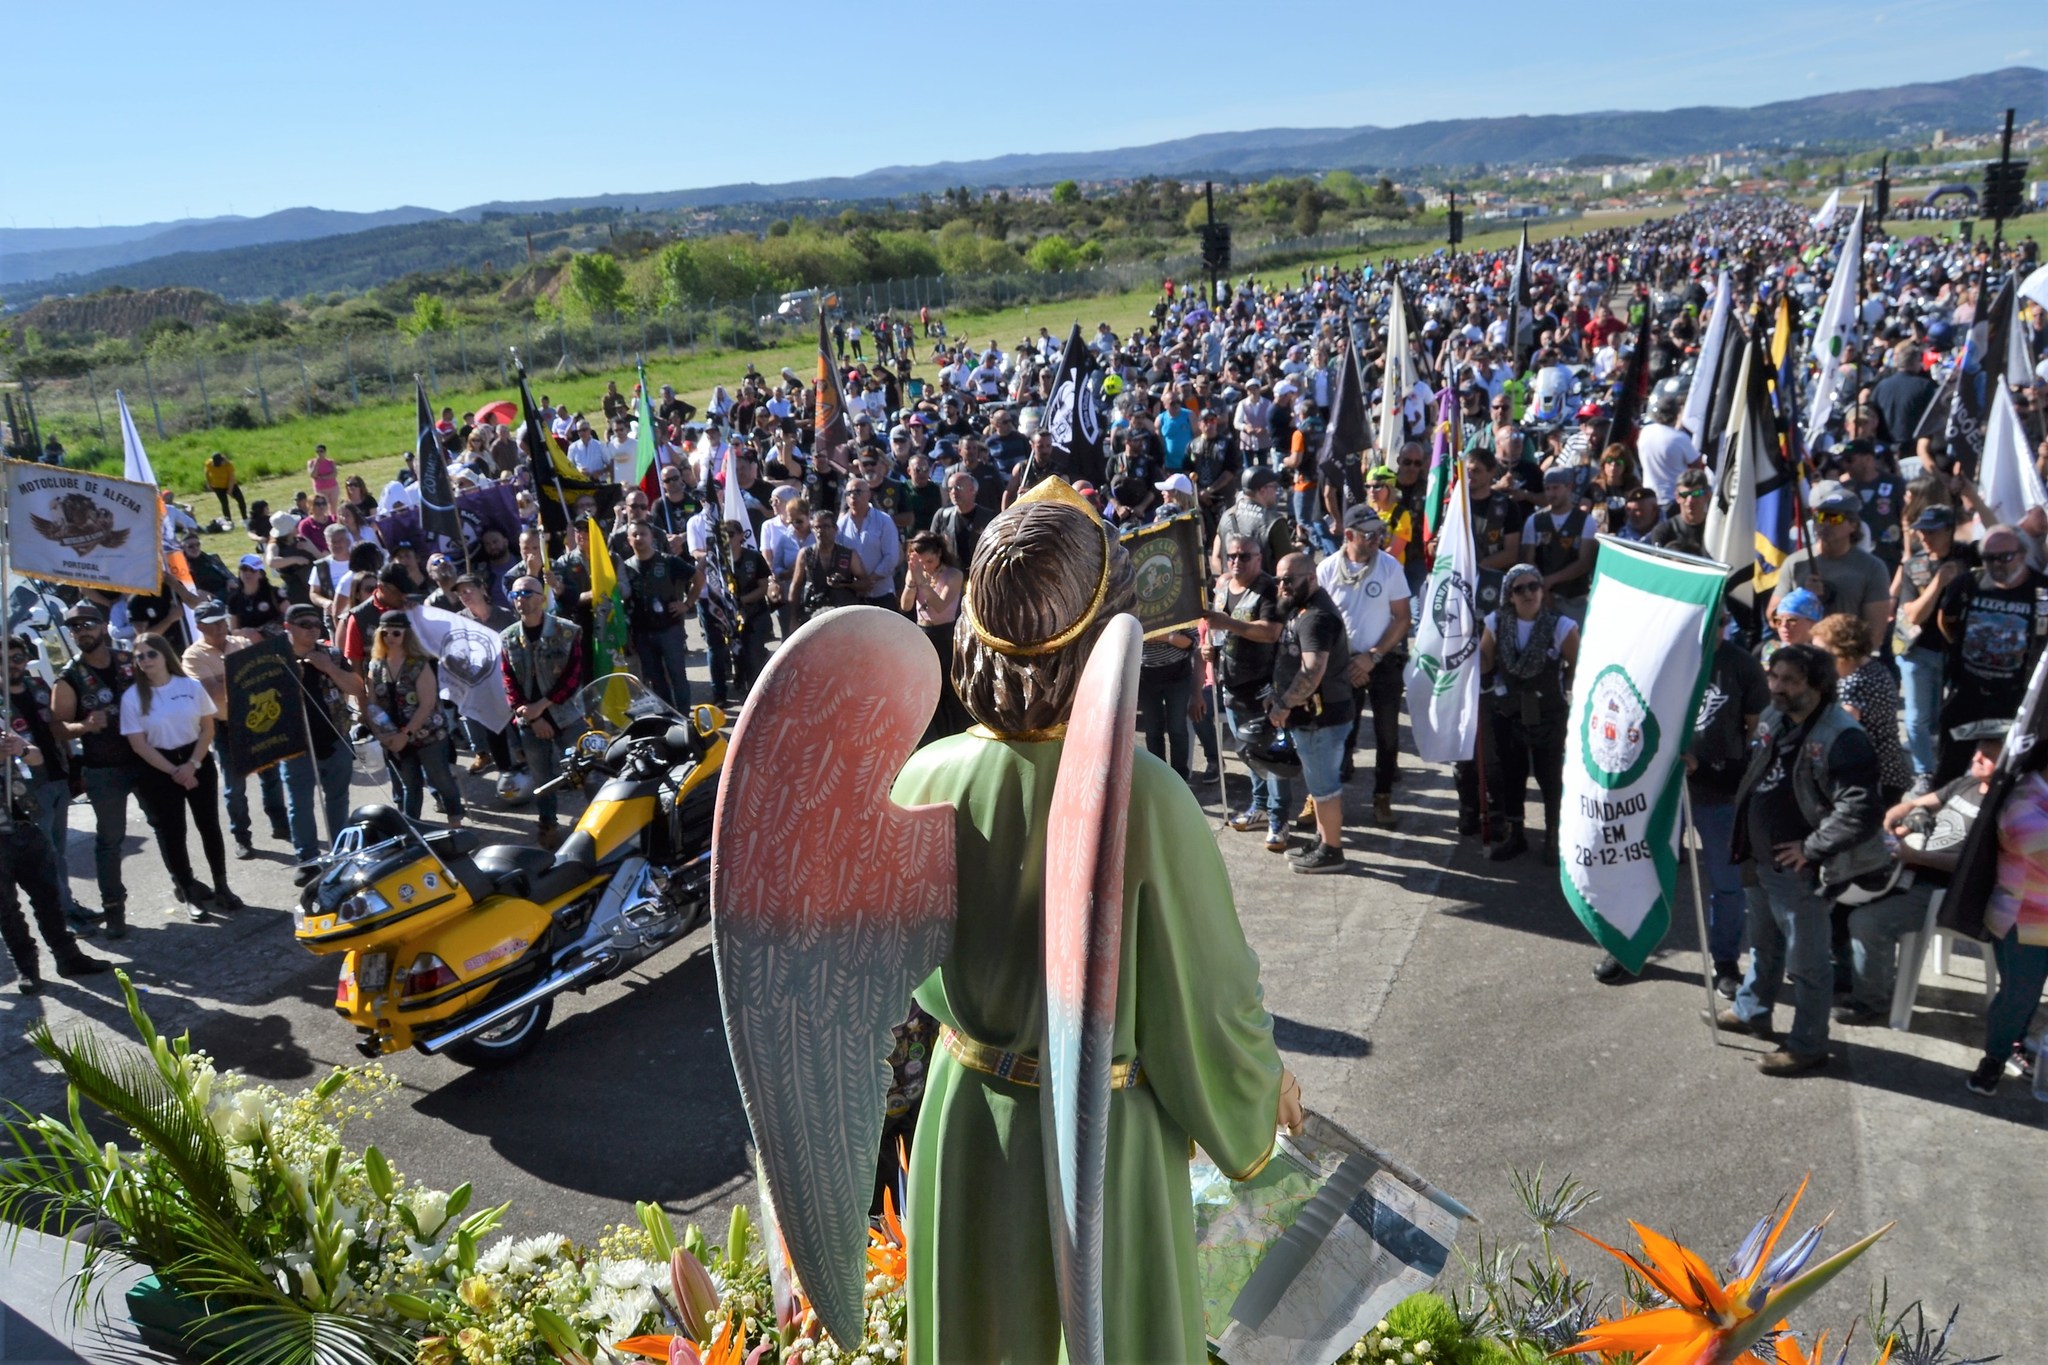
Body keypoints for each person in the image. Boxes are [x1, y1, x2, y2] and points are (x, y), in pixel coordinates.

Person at [888, 479, 1294, 1362]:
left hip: (966, 1114)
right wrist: (1263, 1097)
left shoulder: (925, 779)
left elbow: (895, 977)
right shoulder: (1143, 799)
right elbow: (1213, 998)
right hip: (1103, 1140)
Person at [1716, 643, 1887, 1076]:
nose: (1777, 686)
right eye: (1774, 676)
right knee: (1764, 947)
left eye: (1790, 680)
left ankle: (1808, 1046)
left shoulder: (1843, 735)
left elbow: (1861, 811)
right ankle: (1753, 1010)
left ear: (1818, 686)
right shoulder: (1776, 716)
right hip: (1759, 860)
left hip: (1802, 872)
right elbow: (1757, 773)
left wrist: (1810, 849)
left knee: (1807, 965)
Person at [1837, 735, 2000, 1027]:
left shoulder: (2000, 810)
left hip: (1942, 890)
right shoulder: (1966, 784)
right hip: (1907, 866)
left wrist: (1914, 856)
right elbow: (1910, 805)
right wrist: (1890, 826)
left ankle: (1872, 1002)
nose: (1976, 759)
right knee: (1837, 897)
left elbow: (1976, 868)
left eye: (1987, 756)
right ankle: (1849, 978)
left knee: (1868, 922)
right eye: (1978, 752)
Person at [120, 631, 243, 918]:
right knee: (174, 833)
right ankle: (189, 892)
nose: (146, 660)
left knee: (209, 826)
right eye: (140, 656)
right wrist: (176, 771)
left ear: (165, 655)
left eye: (152, 654)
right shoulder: (133, 697)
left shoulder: (189, 686)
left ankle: (221, 886)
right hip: (159, 768)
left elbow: (207, 729)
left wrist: (192, 765)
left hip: (196, 759)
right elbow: (138, 744)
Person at [52, 602, 144, 938]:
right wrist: (84, 726)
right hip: (104, 769)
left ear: (103, 626)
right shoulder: (68, 677)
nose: (82, 632)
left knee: (168, 826)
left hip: (146, 759)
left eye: (88, 624)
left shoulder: (128, 659)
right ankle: (114, 909)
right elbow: (57, 728)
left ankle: (188, 887)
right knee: (109, 842)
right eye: (75, 627)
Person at [1317, 506, 1411, 827]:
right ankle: (1323, 801)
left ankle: (1382, 796)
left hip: (1381, 661)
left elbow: (1403, 618)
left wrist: (1373, 656)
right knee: (1338, 735)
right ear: (1349, 535)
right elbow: (1319, 620)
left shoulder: (1390, 567)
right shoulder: (1328, 569)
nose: (1377, 540)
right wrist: (1344, 661)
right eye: (1369, 535)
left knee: (1387, 735)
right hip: (1343, 664)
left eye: (1379, 534)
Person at [1480, 564, 1579, 863]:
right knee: (1512, 775)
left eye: (1534, 586)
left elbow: (1578, 667)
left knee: (1551, 778)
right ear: (1509, 596)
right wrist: (1469, 643)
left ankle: (1553, 837)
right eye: (1519, 589)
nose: (1528, 593)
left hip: (1549, 712)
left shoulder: (1562, 626)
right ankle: (1516, 834)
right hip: (1510, 711)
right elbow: (1485, 665)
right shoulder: (1495, 622)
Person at [1935, 523, 2048, 785]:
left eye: (2005, 557)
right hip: (1968, 696)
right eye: (1989, 558)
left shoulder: (2042, 592)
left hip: (2016, 701)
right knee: (1950, 768)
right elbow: (1947, 621)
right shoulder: (1968, 584)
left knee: (2010, 773)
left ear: (2022, 554)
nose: (1998, 564)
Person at [1964, 757, 2048, 1096]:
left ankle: (2015, 1043)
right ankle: (1993, 1061)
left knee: (2025, 995)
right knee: (2018, 995)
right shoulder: (2023, 801)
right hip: (2023, 920)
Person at [0, 730, 108, 993]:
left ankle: (68, 956)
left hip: (25, 825)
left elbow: (36, 758)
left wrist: (20, 750)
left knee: (48, 898)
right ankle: (27, 968)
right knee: (6, 909)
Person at [183, 602, 291, 861]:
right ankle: (242, 836)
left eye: (222, 621)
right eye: (213, 623)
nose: (221, 627)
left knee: (271, 776)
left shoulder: (241, 643)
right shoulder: (193, 656)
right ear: (199, 627)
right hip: (225, 726)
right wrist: (239, 677)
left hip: (257, 717)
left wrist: (226, 677)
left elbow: (261, 676)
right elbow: (214, 692)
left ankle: (280, 824)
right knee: (235, 787)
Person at [8, 631, 99, 937]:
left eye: (18, 658)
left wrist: (74, 761)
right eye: (4, 660)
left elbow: (56, 726)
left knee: (58, 851)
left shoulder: (36, 685)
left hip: (57, 775)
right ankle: (61, 914)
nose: (12, 665)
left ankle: (67, 904)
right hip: (26, 790)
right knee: (44, 854)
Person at [1270, 551, 1353, 872]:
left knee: (1324, 788)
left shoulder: (1316, 617)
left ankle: (1332, 850)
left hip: (1322, 719)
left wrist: (1283, 704)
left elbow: (1312, 671)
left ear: (1311, 578)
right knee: (1318, 786)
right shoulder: (1303, 608)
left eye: (1289, 580)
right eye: (1279, 580)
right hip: (1314, 718)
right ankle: (1323, 840)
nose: (1282, 587)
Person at [1892, 502, 1975, 794]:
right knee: (1917, 718)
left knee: (1947, 717)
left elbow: (1995, 532)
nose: (1924, 537)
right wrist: (1939, 582)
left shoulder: (1967, 555)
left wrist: (1965, 494)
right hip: (1918, 650)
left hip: (1957, 653)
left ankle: (1952, 769)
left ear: (1950, 531)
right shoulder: (1913, 566)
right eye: (1920, 531)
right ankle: (1924, 773)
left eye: (1932, 531)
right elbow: (1913, 615)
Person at [280, 603, 365, 878]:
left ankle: (340, 852)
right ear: (288, 627)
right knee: (300, 805)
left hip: (335, 738)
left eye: (316, 624)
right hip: (295, 746)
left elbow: (356, 688)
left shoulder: (331, 655)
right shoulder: (275, 660)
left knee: (338, 798)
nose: (313, 630)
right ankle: (307, 859)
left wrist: (329, 668)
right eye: (305, 625)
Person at [501, 575, 584, 850]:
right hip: (530, 721)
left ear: (541, 596)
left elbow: (572, 678)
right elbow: (508, 680)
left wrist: (543, 706)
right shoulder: (508, 637)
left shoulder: (568, 631)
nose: (521, 599)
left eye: (526, 593)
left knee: (586, 768)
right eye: (515, 595)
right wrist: (531, 715)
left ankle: (601, 821)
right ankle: (548, 826)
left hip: (566, 715)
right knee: (542, 779)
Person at [363, 612, 464, 826]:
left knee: (441, 780)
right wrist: (382, 735)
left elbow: (427, 704)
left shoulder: (419, 663)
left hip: (427, 735)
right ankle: (412, 829)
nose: (390, 636)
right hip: (394, 738)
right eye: (385, 632)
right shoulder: (376, 665)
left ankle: (455, 821)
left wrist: (406, 734)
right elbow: (372, 705)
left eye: (396, 632)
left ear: (406, 635)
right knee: (410, 785)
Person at [1767, 483, 1892, 644]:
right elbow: (1772, 617)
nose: (1825, 523)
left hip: (1845, 657)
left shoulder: (1872, 568)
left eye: (1834, 518)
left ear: (1853, 525)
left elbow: (1875, 632)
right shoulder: (1796, 563)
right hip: (1803, 657)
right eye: (1821, 517)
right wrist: (1805, 596)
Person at [1813, 613, 1911, 805]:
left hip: (1872, 777)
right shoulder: (1876, 668)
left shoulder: (1853, 683)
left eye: (1823, 653)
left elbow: (1842, 728)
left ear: (1844, 652)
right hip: (1891, 769)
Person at [899, 530, 969, 743]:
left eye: (929, 561)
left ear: (939, 554)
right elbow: (905, 605)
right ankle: (933, 737)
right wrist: (913, 582)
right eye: (921, 562)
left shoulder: (954, 575)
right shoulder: (916, 574)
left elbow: (940, 605)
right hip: (923, 633)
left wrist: (922, 582)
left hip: (945, 634)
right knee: (928, 689)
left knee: (950, 689)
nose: (926, 566)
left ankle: (957, 733)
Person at [620, 521, 698, 712]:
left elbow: (698, 578)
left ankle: (684, 716)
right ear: (629, 540)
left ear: (651, 537)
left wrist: (687, 604)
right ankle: (667, 716)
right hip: (642, 634)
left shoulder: (669, 561)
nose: (639, 538)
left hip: (669, 629)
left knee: (677, 675)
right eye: (635, 535)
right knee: (655, 679)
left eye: (643, 534)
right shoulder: (625, 568)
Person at [1520, 467, 1597, 621]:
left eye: (1555, 488)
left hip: (1574, 598)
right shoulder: (1534, 521)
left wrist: (1551, 580)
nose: (1551, 493)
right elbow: (1527, 559)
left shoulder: (1586, 521)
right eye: (1547, 489)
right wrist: (1543, 588)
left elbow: (1585, 562)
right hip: (1540, 599)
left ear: (1569, 487)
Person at [726, 520, 774, 696]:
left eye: (731, 534)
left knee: (754, 655)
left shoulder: (754, 558)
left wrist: (741, 600)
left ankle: (757, 692)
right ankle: (740, 685)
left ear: (740, 535)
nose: (727, 538)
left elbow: (763, 587)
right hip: (729, 617)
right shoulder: (719, 561)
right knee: (737, 655)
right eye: (723, 535)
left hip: (754, 613)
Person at [1634, 392, 1703, 502]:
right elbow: (1697, 466)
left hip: (1650, 497)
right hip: (1675, 498)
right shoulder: (1680, 438)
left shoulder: (1644, 432)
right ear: (1676, 414)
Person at [204, 452, 246, 522]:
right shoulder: (209, 463)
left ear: (223, 460)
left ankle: (245, 518)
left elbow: (231, 478)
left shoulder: (228, 465)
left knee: (241, 500)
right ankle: (228, 521)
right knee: (224, 504)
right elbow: (207, 473)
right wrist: (209, 483)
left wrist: (230, 491)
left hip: (231, 485)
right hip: (218, 486)